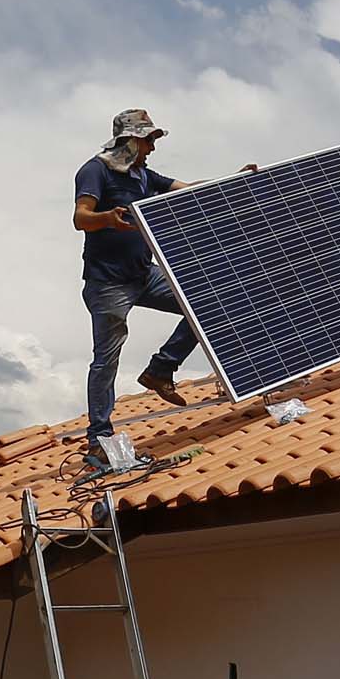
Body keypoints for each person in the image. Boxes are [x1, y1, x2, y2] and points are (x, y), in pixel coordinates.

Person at [73, 107, 240, 466]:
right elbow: (80, 218)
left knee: (205, 303)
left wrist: (233, 182)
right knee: (107, 359)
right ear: (129, 139)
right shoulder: (96, 170)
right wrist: (107, 218)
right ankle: (99, 436)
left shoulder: (143, 175)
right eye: (148, 139)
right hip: (108, 283)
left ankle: (161, 369)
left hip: (143, 274)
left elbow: (186, 190)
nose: (152, 146)